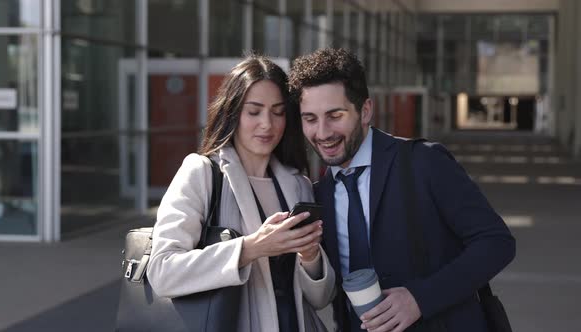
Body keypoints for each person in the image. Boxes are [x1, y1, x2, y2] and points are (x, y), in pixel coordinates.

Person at [288, 48, 516, 332]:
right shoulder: (318, 195)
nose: (322, 132)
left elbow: (496, 242)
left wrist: (420, 299)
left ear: (366, 110)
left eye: (335, 115)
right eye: (310, 119)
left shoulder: (424, 161)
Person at [147, 55, 336, 332]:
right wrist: (250, 249)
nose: (267, 124)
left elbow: (319, 299)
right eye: (254, 111)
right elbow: (162, 272)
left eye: (278, 112)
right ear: (233, 112)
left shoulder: (298, 185)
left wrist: (310, 258)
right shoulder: (201, 173)